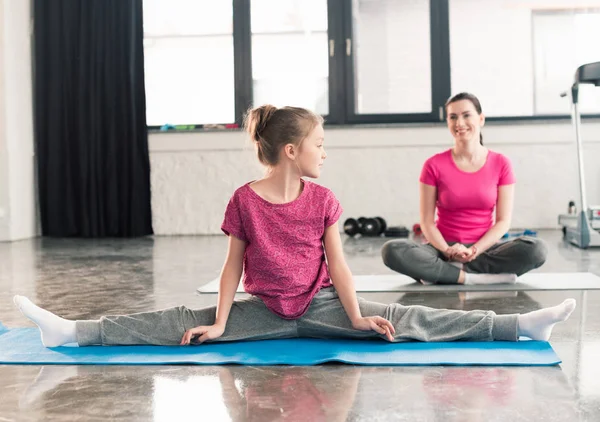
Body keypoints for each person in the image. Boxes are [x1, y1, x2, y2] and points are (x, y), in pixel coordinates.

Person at [13, 104, 574, 348]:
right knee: (181, 320)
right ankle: (71, 332)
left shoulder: (324, 198)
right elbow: (231, 267)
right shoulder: (244, 200)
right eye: (319, 145)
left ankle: (520, 329)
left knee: (405, 317)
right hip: (260, 313)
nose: (325, 154)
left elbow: (339, 264)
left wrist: (358, 317)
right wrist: (221, 323)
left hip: (325, 309)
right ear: (288, 150)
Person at [382, 93, 548, 285]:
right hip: (442, 250)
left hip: (485, 250)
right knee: (392, 250)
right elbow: (427, 222)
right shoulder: (433, 165)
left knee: (537, 249)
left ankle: (444, 274)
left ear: (481, 119)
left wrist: (474, 250)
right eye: (453, 117)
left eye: (466, 115)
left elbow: (503, 222)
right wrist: (447, 250)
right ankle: (469, 277)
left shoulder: (501, 163)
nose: (459, 123)